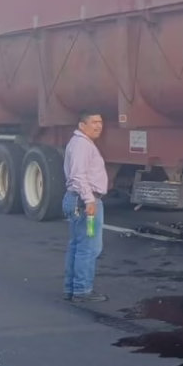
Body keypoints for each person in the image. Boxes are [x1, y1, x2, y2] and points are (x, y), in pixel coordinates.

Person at [63, 109, 108, 302]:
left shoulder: (80, 143)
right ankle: (82, 290)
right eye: (93, 122)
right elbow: (78, 175)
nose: (98, 126)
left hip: (77, 200)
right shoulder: (82, 145)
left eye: (100, 122)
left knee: (77, 245)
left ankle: (71, 288)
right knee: (89, 247)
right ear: (82, 125)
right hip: (84, 203)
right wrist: (89, 200)